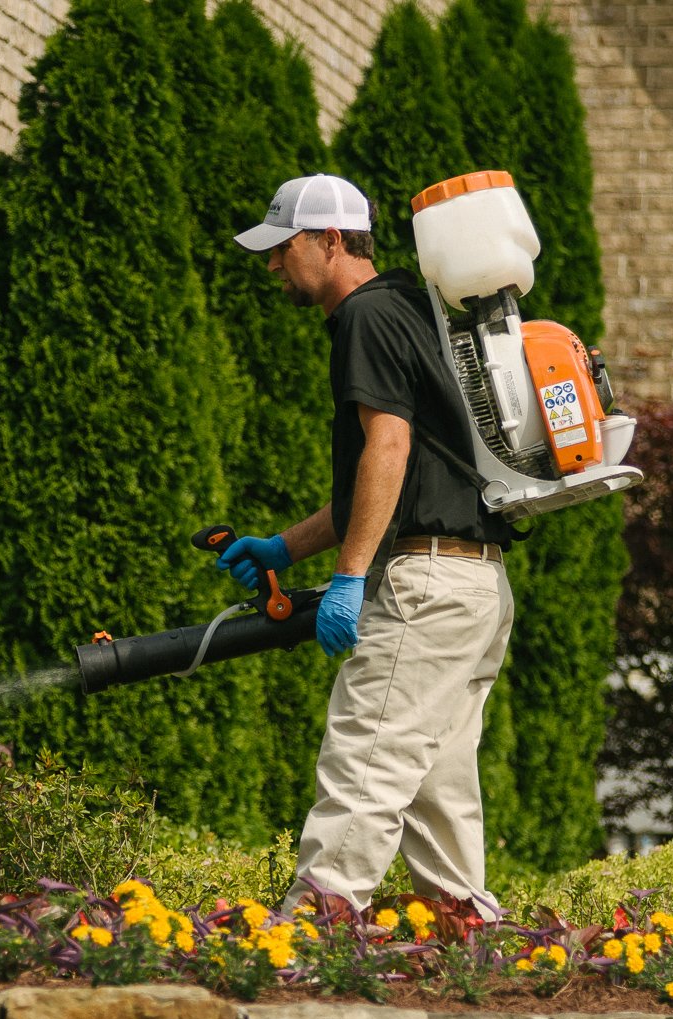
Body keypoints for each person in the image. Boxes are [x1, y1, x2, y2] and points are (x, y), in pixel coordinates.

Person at [223, 174, 516, 917]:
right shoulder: (413, 311)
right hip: (473, 587)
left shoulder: (363, 317)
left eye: (281, 248)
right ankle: (469, 942)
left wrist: (351, 578)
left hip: (424, 585)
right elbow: (386, 481)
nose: (272, 266)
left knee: (364, 764)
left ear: (328, 240)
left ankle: (306, 939)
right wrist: (285, 549)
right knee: (435, 788)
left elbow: (386, 447)